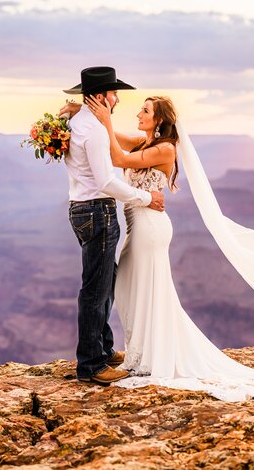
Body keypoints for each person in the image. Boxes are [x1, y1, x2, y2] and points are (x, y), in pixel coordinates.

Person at [63, 95, 254, 401]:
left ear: (160, 120)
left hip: (150, 230)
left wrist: (106, 119)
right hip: (138, 227)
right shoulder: (143, 141)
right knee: (126, 286)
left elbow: (117, 159)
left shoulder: (165, 148)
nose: (138, 113)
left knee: (141, 287)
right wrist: (82, 112)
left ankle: (148, 357)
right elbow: (117, 141)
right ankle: (137, 352)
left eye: (145, 110)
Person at [61, 66, 165, 386]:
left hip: (82, 210)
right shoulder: (92, 130)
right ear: (101, 97)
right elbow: (107, 181)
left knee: (104, 282)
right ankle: (92, 364)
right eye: (114, 93)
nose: (117, 99)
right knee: (96, 289)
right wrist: (145, 198)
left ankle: (103, 350)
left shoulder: (78, 122)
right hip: (98, 212)